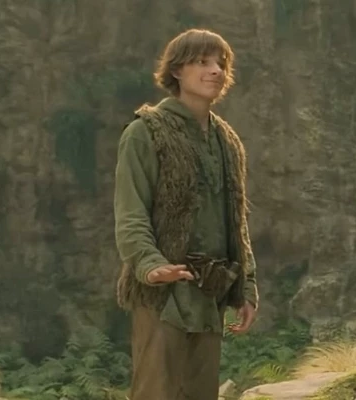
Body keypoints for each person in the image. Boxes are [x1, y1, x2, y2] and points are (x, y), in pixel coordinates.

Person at [114, 28, 259, 400]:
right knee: (156, 393)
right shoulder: (145, 132)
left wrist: (246, 288)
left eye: (221, 64)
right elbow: (131, 213)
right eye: (202, 62)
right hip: (162, 295)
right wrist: (150, 264)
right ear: (177, 70)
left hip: (209, 294)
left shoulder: (227, 141)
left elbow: (236, 220)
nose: (216, 71)